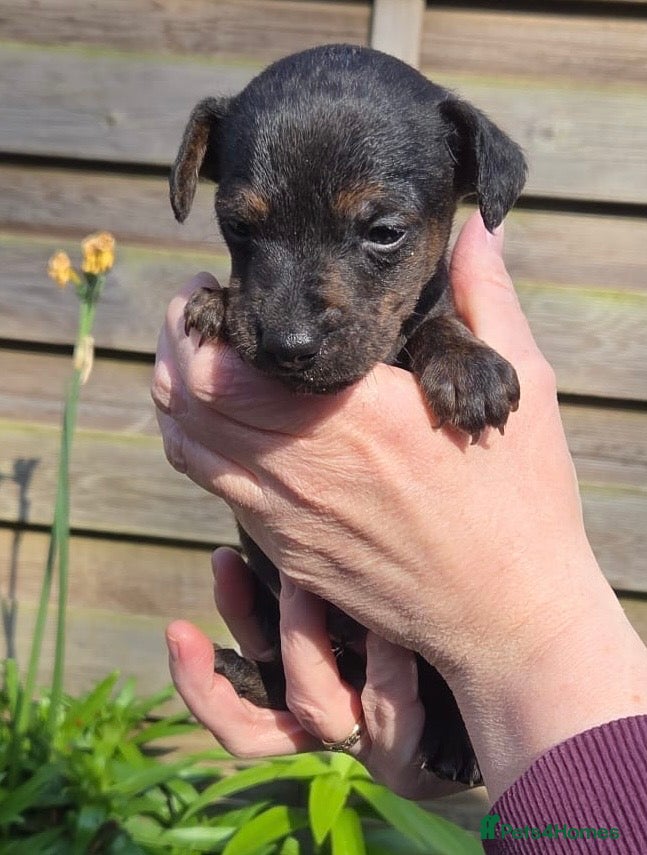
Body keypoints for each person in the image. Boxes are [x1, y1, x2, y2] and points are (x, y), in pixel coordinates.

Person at [152, 213, 647, 849]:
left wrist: (523, 655)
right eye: (248, 235)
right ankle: (316, 684)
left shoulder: (430, 318)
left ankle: (438, 712)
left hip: (444, 677)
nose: (293, 317)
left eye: (382, 232)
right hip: (319, 615)